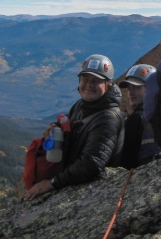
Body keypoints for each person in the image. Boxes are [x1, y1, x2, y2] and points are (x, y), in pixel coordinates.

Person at [23, 54, 125, 201]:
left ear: (107, 85)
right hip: (75, 183)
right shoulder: (81, 106)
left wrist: (52, 183)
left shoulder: (107, 119)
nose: (89, 84)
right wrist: (55, 126)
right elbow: (71, 125)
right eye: (85, 79)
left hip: (95, 192)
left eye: (96, 81)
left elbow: (91, 165)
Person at [118, 63, 161, 168]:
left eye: (136, 87)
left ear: (151, 88)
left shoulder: (135, 119)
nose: (130, 93)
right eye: (129, 88)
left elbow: (126, 161)